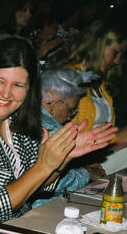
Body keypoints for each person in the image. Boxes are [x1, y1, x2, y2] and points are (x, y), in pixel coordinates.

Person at [0, 38, 111, 234]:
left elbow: (37, 186)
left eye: (18, 85)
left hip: (9, 230)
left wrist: (60, 159)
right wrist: (44, 165)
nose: (6, 93)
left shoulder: (16, 121)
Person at [33, 68, 117, 207]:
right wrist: (85, 174)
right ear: (54, 103)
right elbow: (51, 183)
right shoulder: (52, 130)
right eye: (71, 110)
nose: (69, 117)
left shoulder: (26, 116)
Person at [52, 18, 127, 150]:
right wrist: (117, 138)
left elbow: (102, 128)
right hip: (78, 157)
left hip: (96, 154)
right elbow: (56, 139)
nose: (117, 61)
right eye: (115, 53)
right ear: (98, 45)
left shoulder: (99, 83)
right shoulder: (66, 80)